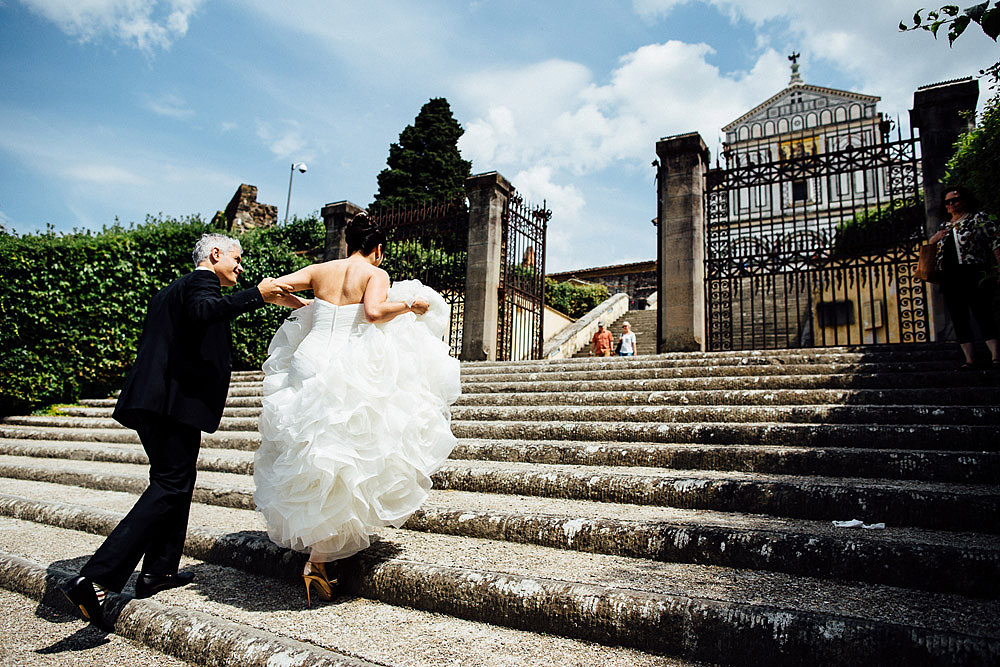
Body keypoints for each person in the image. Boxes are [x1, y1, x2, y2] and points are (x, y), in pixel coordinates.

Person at [61, 234, 291, 631]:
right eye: (236, 260)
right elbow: (206, 313)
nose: (240, 267)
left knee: (177, 481)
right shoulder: (201, 282)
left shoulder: (172, 290)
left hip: (160, 403)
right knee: (171, 483)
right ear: (215, 255)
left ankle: (159, 571)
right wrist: (260, 294)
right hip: (169, 404)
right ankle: (97, 578)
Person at [252, 215, 461, 606]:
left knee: (310, 446)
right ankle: (318, 561)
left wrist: (305, 305)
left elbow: (273, 288)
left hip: (309, 357)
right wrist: (410, 304)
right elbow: (373, 313)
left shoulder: (320, 269)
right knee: (347, 452)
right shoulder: (373, 273)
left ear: (348, 243)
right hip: (348, 362)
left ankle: (316, 553)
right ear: (377, 249)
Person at [928, 186, 1000, 369]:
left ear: (965, 200)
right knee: (959, 317)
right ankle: (969, 359)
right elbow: (933, 251)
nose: (951, 204)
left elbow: (995, 242)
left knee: (982, 312)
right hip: (950, 277)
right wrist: (933, 240)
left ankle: (996, 355)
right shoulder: (944, 226)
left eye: (955, 199)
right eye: (948, 201)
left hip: (973, 272)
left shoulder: (978, 218)